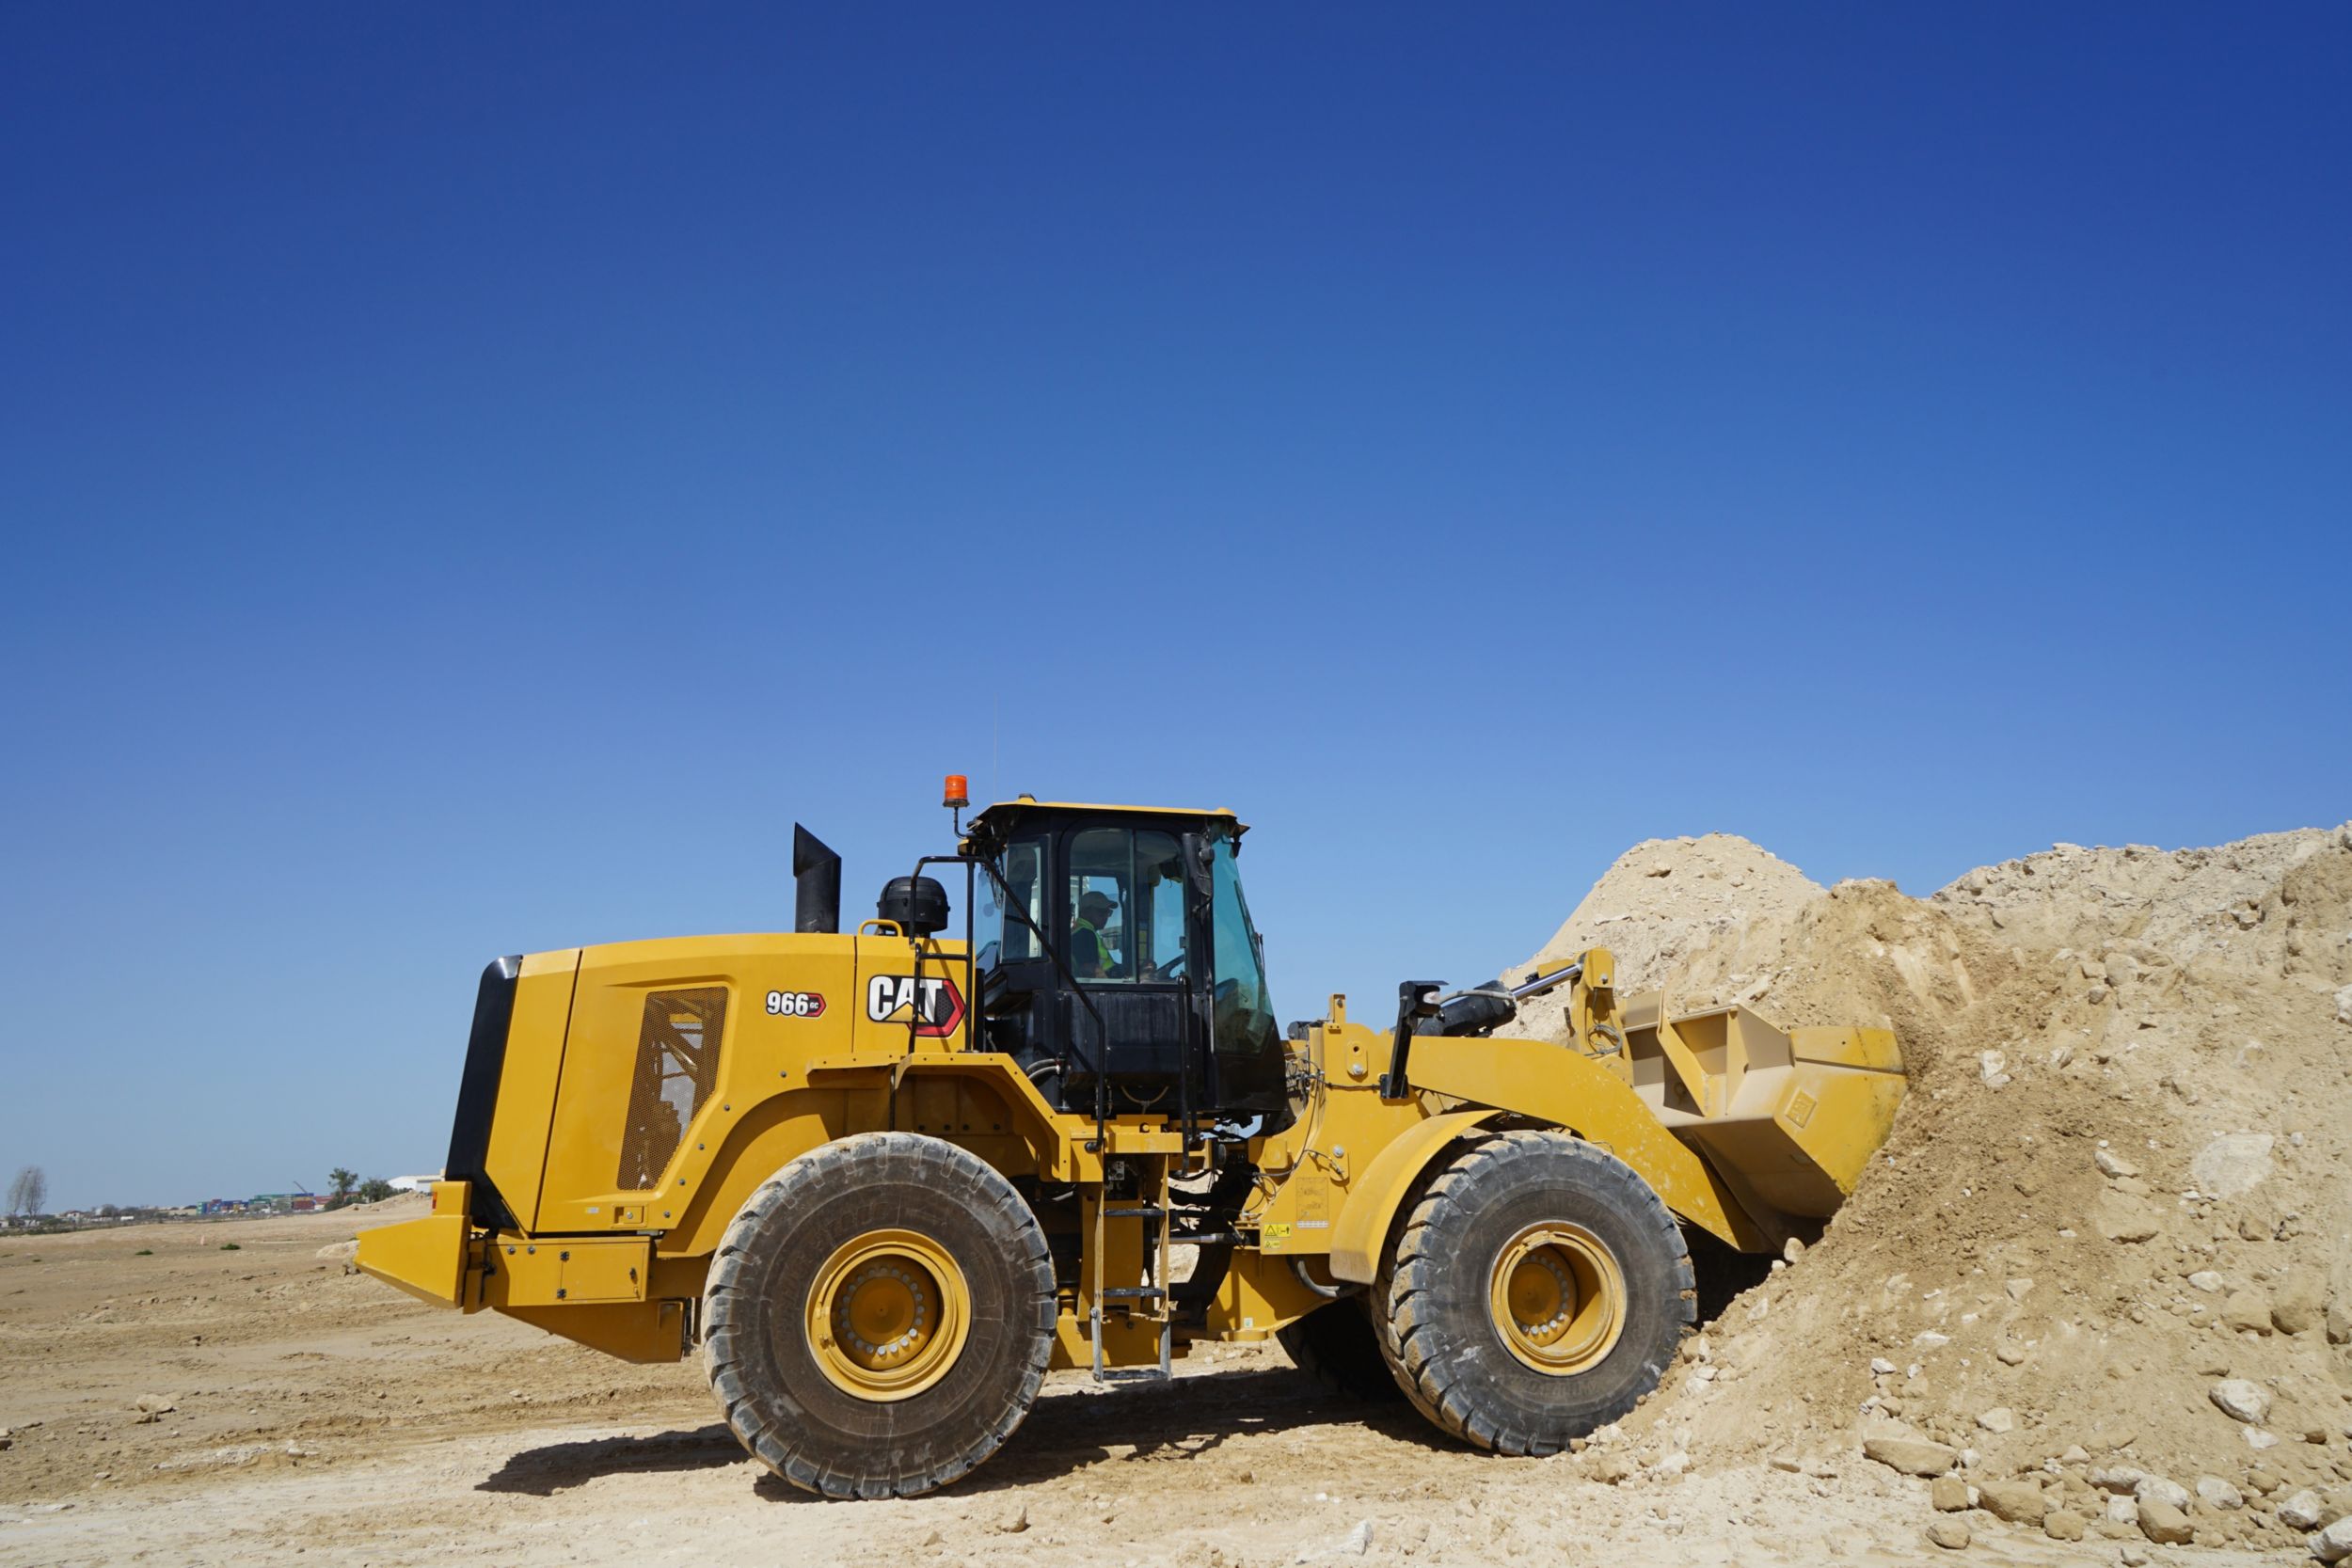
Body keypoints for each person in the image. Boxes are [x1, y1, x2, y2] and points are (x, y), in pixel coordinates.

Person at [1072, 890, 1118, 978]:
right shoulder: (1085, 934)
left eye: (1108, 912)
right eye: (1101, 911)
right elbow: (1089, 970)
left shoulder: (1081, 931)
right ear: (1085, 912)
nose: (1105, 916)